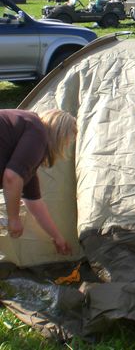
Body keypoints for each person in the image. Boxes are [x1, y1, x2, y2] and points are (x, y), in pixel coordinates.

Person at [1, 109, 76, 254]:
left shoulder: (29, 133)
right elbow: (11, 177)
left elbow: (35, 204)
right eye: (67, 140)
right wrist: (14, 218)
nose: (67, 145)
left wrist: (58, 237)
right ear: (59, 134)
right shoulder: (37, 131)